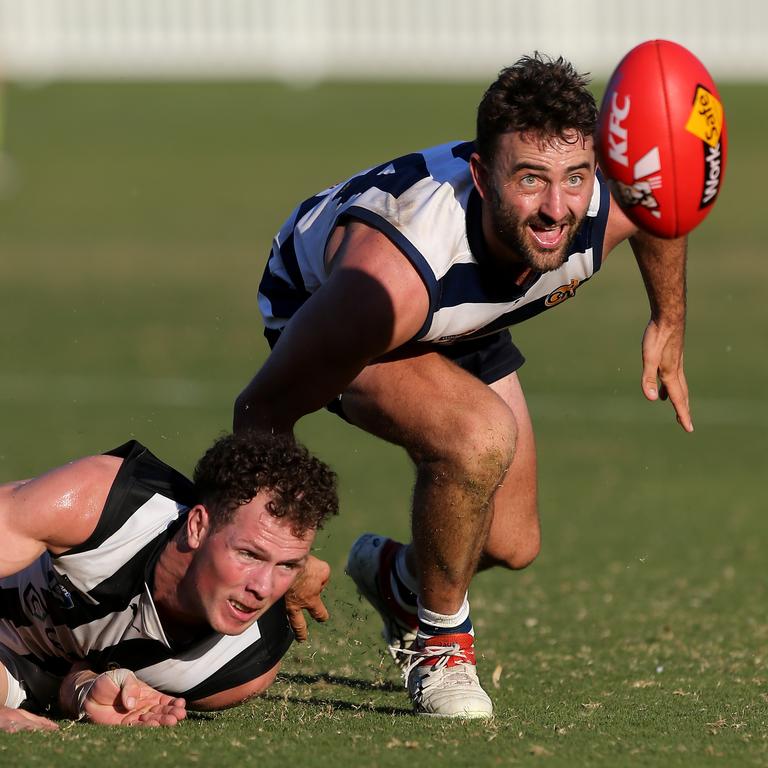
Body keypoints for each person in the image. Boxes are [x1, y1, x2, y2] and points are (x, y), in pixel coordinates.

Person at [234, 53, 692, 718]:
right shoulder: (384, 283)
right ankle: (441, 645)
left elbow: (659, 206)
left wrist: (668, 319)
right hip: (334, 311)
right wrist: (285, 547)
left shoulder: (597, 202)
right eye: (530, 180)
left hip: (461, 318)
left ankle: (398, 581)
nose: (557, 210)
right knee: (478, 439)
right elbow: (262, 405)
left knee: (511, 542)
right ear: (481, 176)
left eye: (575, 178)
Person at [0, 430, 338, 731]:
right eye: (249, 555)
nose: (263, 588)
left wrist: (84, 691)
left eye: (288, 565)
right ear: (197, 527)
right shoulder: (103, 503)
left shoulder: (239, 668)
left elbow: (72, 681)